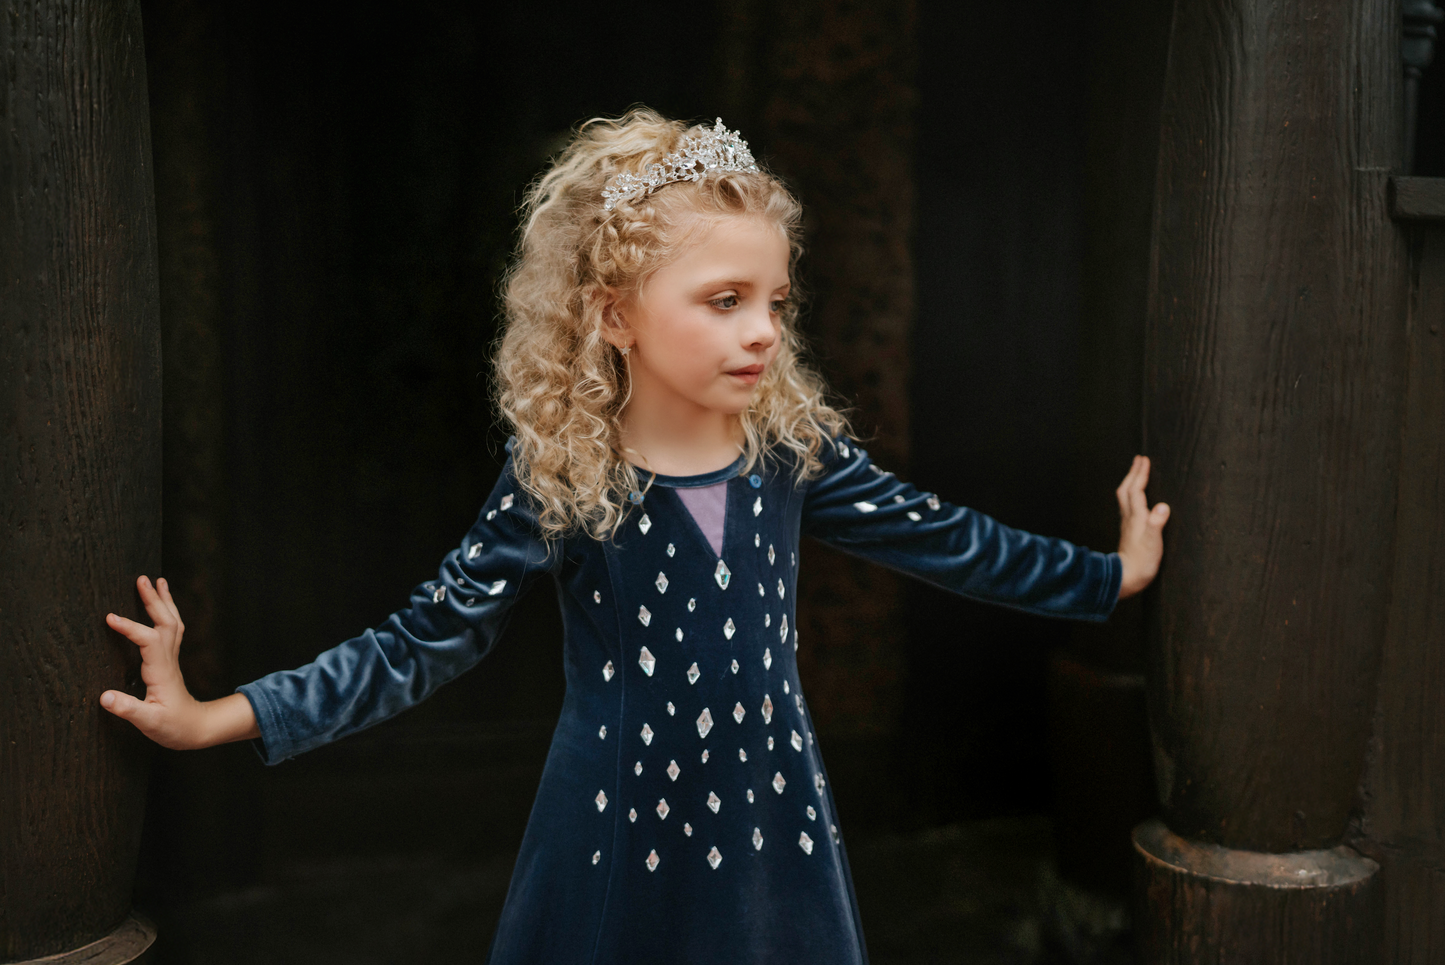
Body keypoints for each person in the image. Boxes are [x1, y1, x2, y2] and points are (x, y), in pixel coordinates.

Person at [100, 109, 1170, 964]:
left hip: (771, 826)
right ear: (612, 314)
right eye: (722, 298)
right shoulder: (560, 478)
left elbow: (950, 540)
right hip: (617, 825)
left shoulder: (791, 456)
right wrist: (214, 717)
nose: (761, 328)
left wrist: (1108, 575)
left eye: (773, 300)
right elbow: (421, 639)